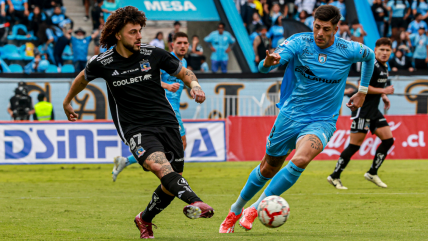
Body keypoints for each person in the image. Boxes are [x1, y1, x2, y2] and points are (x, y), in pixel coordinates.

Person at [219, 5, 375, 233]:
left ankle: (254, 208)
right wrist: (268, 63)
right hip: (291, 116)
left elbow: (369, 56)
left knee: (301, 159)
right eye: (316, 27)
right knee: (267, 169)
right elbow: (266, 66)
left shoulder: (348, 49)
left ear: (336, 29)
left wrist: (362, 90)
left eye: (326, 29)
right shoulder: (299, 42)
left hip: (322, 120)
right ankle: (235, 210)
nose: (319, 33)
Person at [62, 6, 214, 239]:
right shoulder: (102, 62)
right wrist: (67, 102)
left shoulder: (153, 54)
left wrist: (196, 86)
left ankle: (144, 219)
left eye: (140, 31)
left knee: (171, 182)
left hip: (167, 124)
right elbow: (82, 79)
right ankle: (197, 202)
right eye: (133, 32)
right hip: (136, 128)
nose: (139, 36)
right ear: (118, 35)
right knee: (160, 167)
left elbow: (184, 73)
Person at [112, 32, 190, 181]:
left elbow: (182, 80)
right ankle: (171, 176)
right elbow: (149, 78)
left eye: (185, 43)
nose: (182, 46)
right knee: (181, 142)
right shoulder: (165, 59)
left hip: (174, 107)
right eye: (179, 43)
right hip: (166, 107)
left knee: (171, 144)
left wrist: (190, 89)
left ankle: (127, 161)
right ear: (172, 44)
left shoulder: (183, 62)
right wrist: (167, 86)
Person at [327, 38, 395, 189]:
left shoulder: (384, 67)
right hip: (363, 111)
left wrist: (383, 97)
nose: (384, 53)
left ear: (391, 52)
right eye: (381, 50)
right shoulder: (372, 65)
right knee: (354, 146)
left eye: (387, 50)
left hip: (374, 111)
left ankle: (372, 172)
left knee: (388, 140)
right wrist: (384, 91)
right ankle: (334, 176)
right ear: (375, 50)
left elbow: (377, 85)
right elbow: (361, 86)